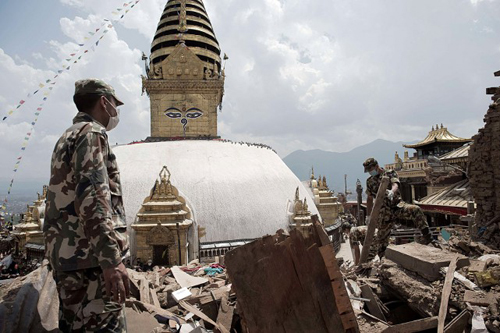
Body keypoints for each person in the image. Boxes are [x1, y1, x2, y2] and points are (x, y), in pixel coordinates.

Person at [44, 79, 129, 332]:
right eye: (115, 104)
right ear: (104, 102)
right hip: (90, 261)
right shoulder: (92, 133)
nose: (116, 111)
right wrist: (111, 260)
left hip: (69, 258)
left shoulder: (68, 135)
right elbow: (93, 198)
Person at [362, 158, 431, 260]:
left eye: (370, 169)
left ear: (376, 166)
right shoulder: (370, 181)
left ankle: (428, 238)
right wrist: (368, 215)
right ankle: (383, 261)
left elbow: (395, 184)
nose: (369, 172)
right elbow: (369, 198)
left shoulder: (389, 173)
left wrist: (392, 192)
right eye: (367, 171)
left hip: (397, 206)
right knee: (381, 240)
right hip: (384, 212)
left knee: (416, 210)